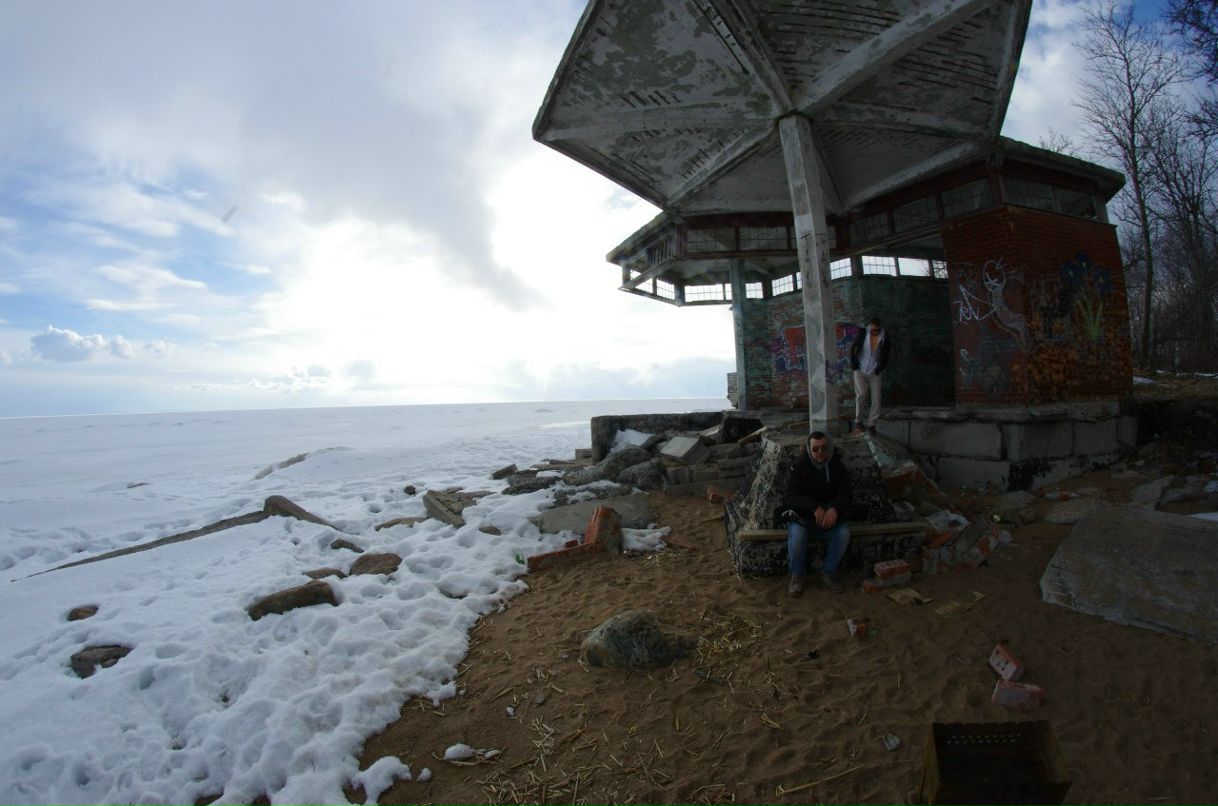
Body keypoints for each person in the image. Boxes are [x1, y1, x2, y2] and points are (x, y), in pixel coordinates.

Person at [781, 431, 852, 596]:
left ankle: (829, 572)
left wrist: (834, 509)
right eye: (815, 449)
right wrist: (813, 507)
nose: (820, 453)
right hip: (803, 517)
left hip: (829, 517)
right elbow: (790, 496)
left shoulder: (838, 467)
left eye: (824, 448)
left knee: (843, 533)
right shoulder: (798, 467)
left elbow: (846, 494)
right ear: (809, 449)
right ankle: (797, 574)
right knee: (797, 537)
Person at [849, 317, 891, 436]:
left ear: (880, 328)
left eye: (877, 330)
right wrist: (853, 364)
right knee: (861, 394)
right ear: (869, 327)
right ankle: (858, 421)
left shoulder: (884, 336)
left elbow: (887, 353)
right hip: (860, 370)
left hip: (875, 372)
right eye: (873, 330)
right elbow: (853, 348)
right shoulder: (863, 333)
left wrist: (880, 368)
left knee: (876, 398)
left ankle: (872, 424)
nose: (874, 332)